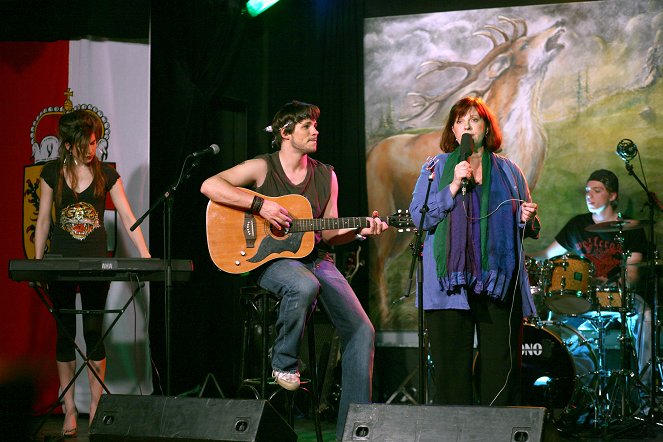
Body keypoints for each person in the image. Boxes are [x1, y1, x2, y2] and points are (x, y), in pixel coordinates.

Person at [200, 100, 388, 440]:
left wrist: (359, 229)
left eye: (315, 125)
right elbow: (210, 186)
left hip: (316, 257)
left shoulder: (325, 174)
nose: (315, 130)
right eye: (307, 126)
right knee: (302, 285)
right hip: (270, 260)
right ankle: (283, 362)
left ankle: (356, 429)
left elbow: (329, 230)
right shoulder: (262, 167)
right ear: (286, 133)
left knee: (362, 329)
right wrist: (262, 205)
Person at [408, 96, 540, 406]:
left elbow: (529, 227)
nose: (467, 125)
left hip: (497, 281)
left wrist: (526, 219)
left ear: (486, 128)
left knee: (500, 373)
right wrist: (452, 186)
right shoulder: (435, 167)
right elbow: (420, 216)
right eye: (460, 120)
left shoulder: (509, 171)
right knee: (451, 376)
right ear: (453, 131)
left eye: (474, 119)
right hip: (449, 287)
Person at [34, 109, 151, 437]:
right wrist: (36, 263)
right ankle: (69, 407)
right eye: (85, 143)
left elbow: (128, 216)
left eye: (95, 142)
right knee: (65, 334)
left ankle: (96, 407)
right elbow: (43, 220)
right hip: (60, 263)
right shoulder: (51, 173)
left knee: (95, 332)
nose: (92, 148)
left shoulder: (106, 175)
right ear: (69, 144)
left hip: (97, 264)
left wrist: (144, 254)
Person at [529, 169, 650, 385]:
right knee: (557, 325)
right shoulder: (578, 225)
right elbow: (547, 254)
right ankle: (575, 391)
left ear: (612, 196)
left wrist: (615, 284)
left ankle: (645, 389)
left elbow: (632, 275)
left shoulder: (631, 229)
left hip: (618, 296)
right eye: (587, 191)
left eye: (597, 190)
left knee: (647, 317)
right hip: (586, 299)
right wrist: (522, 256)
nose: (589, 195)